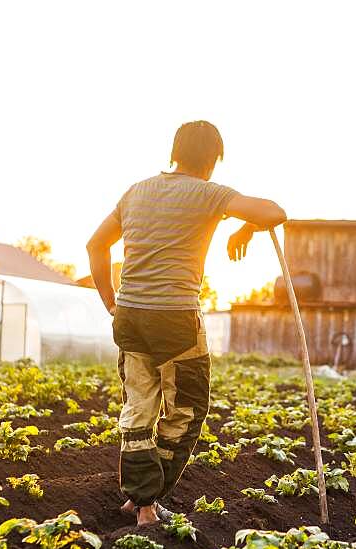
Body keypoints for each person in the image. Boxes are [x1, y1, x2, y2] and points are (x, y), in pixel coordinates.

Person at [86, 120, 286, 526]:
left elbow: (95, 244)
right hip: (175, 318)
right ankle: (147, 505)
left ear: (174, 152)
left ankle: (136, 499)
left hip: (129, 315)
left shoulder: (136, 191)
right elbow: (274, 212)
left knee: (138, 407)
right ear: (213, 160)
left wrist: (111, 301)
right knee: (186, 410)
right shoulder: (208, 192)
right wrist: (245, 229)